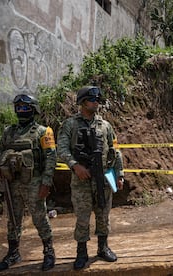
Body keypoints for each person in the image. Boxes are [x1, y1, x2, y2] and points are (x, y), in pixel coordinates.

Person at [57, 86, 124, 270]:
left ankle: (103, 248)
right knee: (83, 217)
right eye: (92, 99)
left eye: (97, 100)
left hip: (103, 178)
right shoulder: (70, 125)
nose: (96, 102)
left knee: (104, 214)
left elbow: (115, 151)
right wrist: (75, 165)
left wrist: (119, 175)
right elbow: (61, 149)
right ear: (83, 101)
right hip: (81, 180)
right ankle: (81, 252)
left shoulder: (105, 126)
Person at [0, 94, 57, 271]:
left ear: (34, 109)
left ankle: (49, 252)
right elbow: (0, 152)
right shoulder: (8, 132)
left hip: (34, 182)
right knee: (13, 219)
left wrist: (46, 182)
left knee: (40, 218)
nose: (21, 111)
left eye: (25, 107)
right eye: (18, 107)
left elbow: (51, 158)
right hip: (12, 183)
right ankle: (13, 253)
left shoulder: (44, 132)